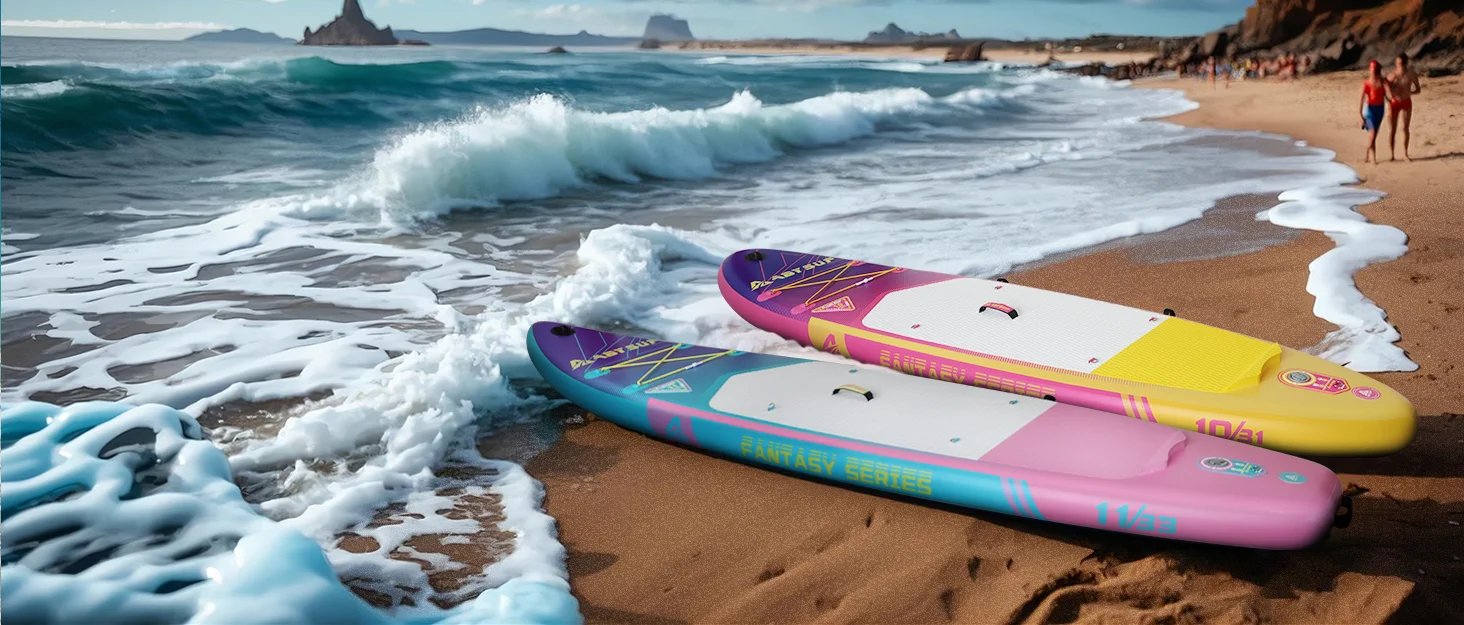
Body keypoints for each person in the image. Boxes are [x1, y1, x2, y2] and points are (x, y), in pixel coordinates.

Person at [1386, 53, 1422, 161]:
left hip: (1406, 101)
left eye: (1400, 64)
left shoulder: (1411, 74)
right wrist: (1390, 97)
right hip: (1395, 102)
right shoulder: (1392, 75)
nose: (1399, 66)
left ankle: (1405, 154)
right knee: (1393, 129)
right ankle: (1392, 155)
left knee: (1405, 128)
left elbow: (1418, 89)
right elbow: (1385, 88)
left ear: (1405, 64)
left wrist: (1409, 92)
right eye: (1397, 64)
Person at [1358, 60, 1391, 164]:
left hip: (1380, 109)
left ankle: (1367, 155)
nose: (1373, 73)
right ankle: (1373, 159)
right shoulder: (1366, 84)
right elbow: (1361, 100)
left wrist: (1391, 101)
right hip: (1369, 110)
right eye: (1372, 71)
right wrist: (1360, 116)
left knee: (1374, 135)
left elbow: (1386, 95)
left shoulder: (1382, 82)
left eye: (1375, 71)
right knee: (1372, 134)